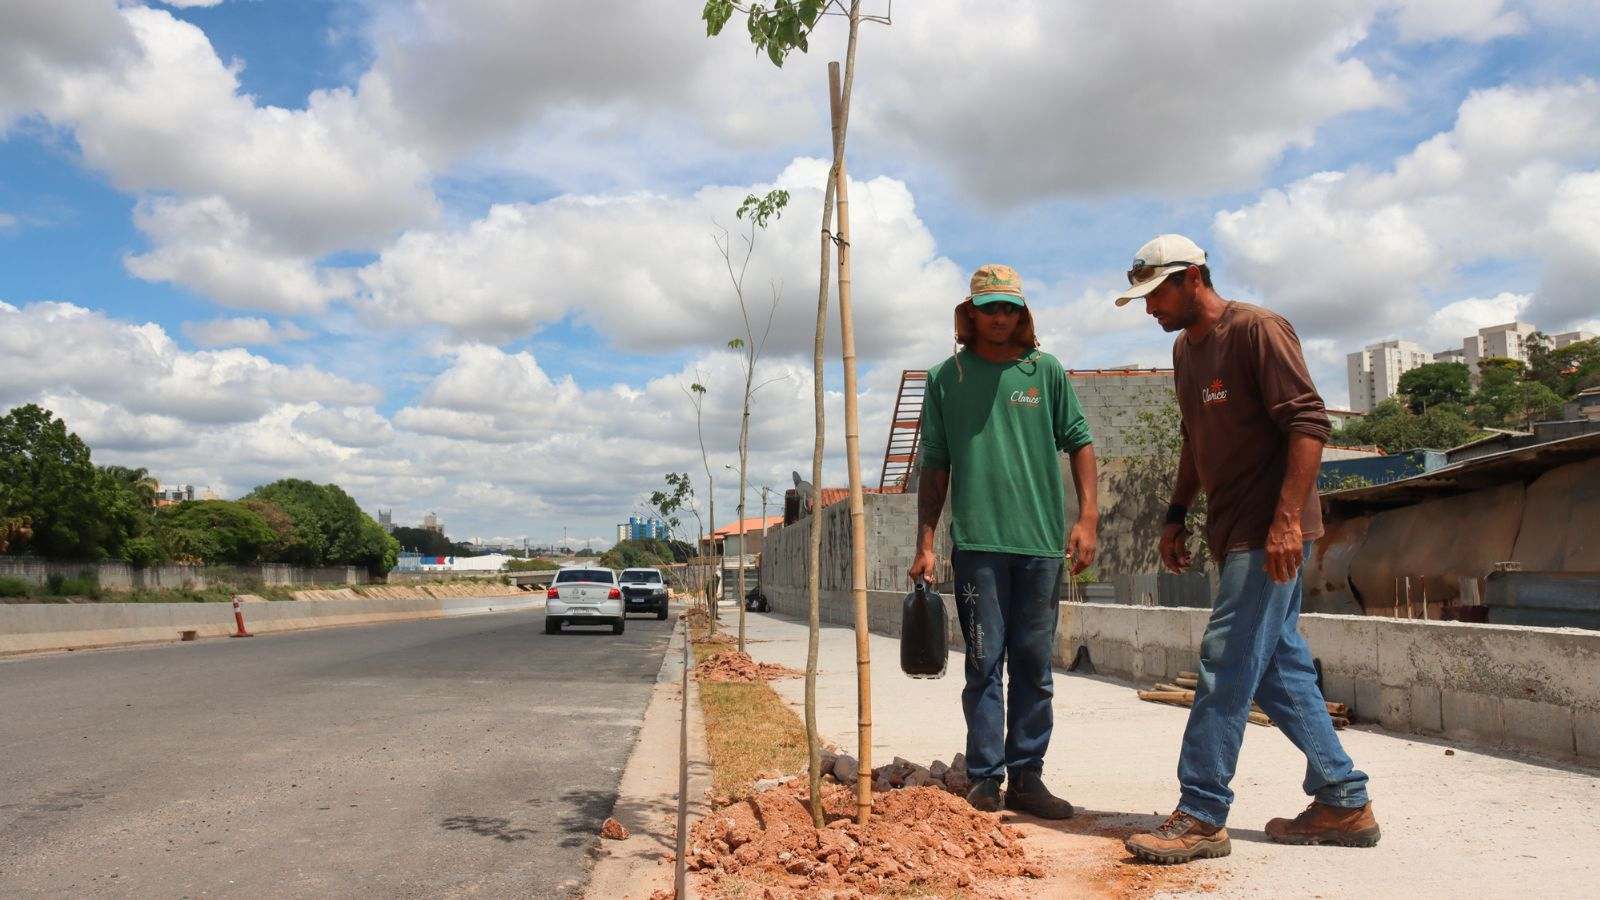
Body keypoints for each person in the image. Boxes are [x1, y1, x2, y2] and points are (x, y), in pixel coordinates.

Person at [1113, 235, 1378, 864]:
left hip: (1270, 533)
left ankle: (1203, 813)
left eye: (1157, 295)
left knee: (1226, 659)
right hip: (1231, 528)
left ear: (1193, 277)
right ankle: (1343, 799)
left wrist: (1286, 522)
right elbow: (1193, 438)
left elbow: (1309, 424)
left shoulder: (1258, 330)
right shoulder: (1185, 349)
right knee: (1280, 669)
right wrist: (1175, 514)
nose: (1151, 309)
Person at [908, 263, 1099, 819]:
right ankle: (986, 778)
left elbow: (1080, 441)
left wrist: (1088, 519)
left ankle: (1028, 778)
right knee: (984, 664)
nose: (999, 317)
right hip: (978, 548)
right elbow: (935, 464)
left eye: (1009, 308)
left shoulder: (1045, 372)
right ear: (970, 313)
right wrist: (925, 542)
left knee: (1034, 666)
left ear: (1021, 313)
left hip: (1040, 547)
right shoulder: (946, 378)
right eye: (989, 307)